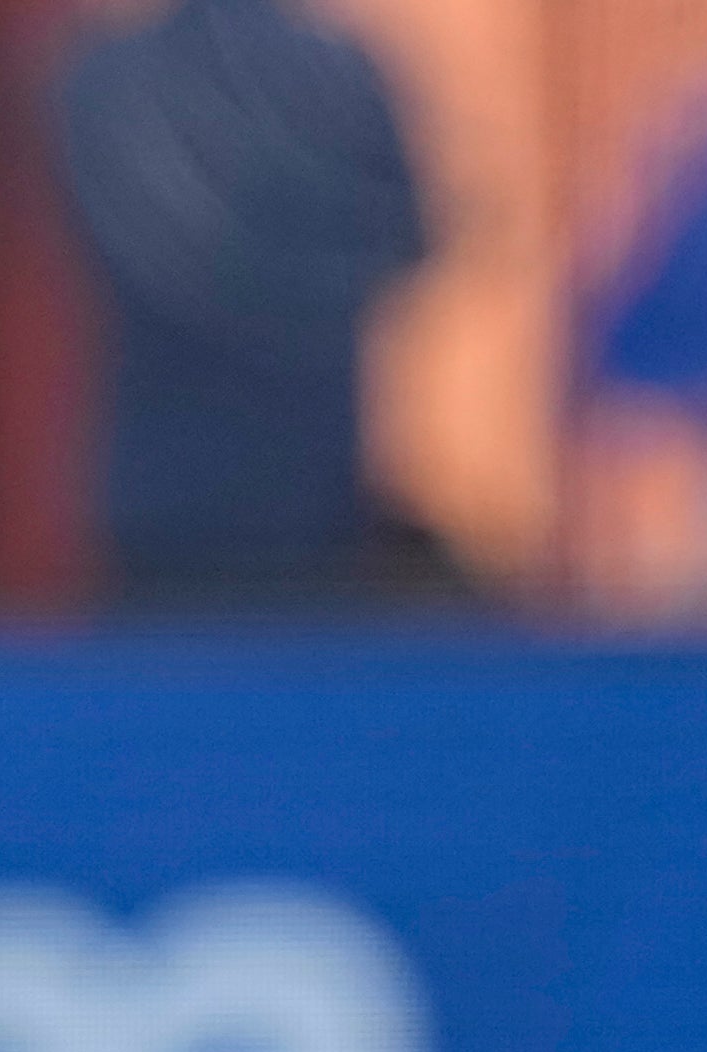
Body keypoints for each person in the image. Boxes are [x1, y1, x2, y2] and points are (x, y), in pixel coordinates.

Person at [53, 0, 432, 608]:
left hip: (184, 497)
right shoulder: (342, 80)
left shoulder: (102, 81)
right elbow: (411, 238)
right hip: (293, 496)